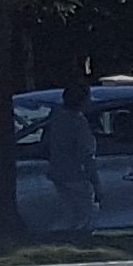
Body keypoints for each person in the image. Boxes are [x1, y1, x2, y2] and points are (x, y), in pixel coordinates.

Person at [39, 74, 100, 238]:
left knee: (70, 210)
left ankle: (68, 237)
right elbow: (85, 153)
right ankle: (81, 237)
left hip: (58, 172)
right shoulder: (78, 122)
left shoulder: (57, 118)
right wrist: (94, 179)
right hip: (77, 174)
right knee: (86, 210)